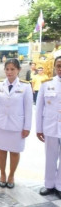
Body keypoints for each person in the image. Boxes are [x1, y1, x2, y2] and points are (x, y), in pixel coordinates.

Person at [0, 58, 33, 188]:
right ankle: (2, 173)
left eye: (12, 69)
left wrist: (27, 127)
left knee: (14, 151)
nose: (9, 72)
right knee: (1, 150)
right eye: (7, 69)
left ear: (18, 70)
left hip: (17, 125)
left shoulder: (25, 86)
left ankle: (11, 175)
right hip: (0, 124)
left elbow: (28, 109)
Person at [36, 56, 61, 198]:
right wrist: (39, 129)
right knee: (50, 157)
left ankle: (59, 186)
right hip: (50, 127)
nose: (60, 68)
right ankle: (49, 184)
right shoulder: (46, 84)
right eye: (58, 65)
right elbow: (39, 108)